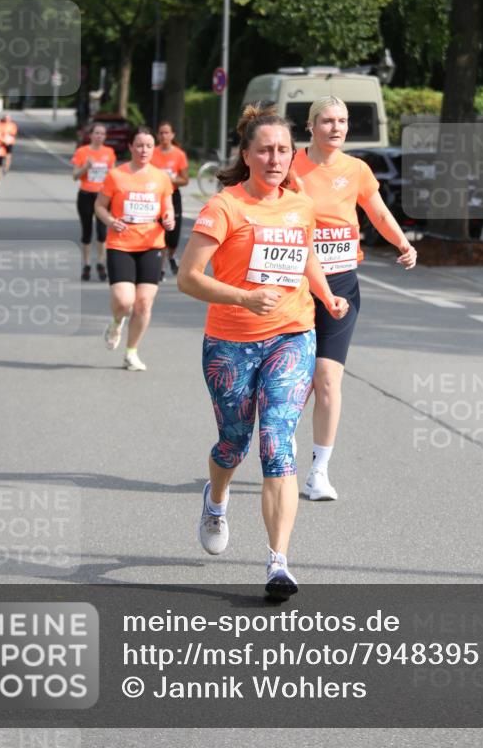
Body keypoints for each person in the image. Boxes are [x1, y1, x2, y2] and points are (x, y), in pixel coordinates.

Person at [177, 104, 349, 597]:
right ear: (247, 155)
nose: (275, 158)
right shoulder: (224, 207)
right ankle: (216, 499)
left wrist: (325, 294)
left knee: (277, 442)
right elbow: (188, 278)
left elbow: (306, 253)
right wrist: (244, 297)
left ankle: (279, 563)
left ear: (292, 154)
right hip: (230, 342)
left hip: (292, 335)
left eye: (283, 150)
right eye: (265, 150)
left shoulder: (300, 204)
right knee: (233, 442)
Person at [291, 96, 417, 501]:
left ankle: (319, 471)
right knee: (297, 379)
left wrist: (402, 243)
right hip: (294, 282)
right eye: (327, 120)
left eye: (342, 121)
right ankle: (281, 435)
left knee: (327, 377)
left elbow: (377, 213)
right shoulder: (290, 164)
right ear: (311, 126)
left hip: (342, 282)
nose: (336, 127)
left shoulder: (357, 169)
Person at [95, 127, 175, 371]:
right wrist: (110, 221)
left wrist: (169, 218)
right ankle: (116, 322)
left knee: (143, 304)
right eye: (139, 145)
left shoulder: (161, 177)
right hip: (121, 243)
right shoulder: (116, 175)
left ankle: (131, 352)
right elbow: (100, 207)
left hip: (151, 244)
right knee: (124, 300)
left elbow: (167, 208)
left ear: (154, 148)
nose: (144, 150)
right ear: (130, 147)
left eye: (149, 146)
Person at [71, 123, 116, 281]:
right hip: (86, 195)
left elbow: (113, 175)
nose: (99, 136)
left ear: (105, 137)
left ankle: (101, 263)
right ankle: (87, 264)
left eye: (102, 134)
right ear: (91, 135)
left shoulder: (109, 152)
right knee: (87, 231)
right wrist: (86, 167)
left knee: (102, 232)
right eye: (96, 133)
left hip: (103, 197)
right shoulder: (82, 152)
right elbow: (75, 175)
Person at [151, 121, 189, 278]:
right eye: (161, 133)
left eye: (167, 133)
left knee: (173, 236)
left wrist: (170, 178)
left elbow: (185, 180)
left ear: (172, 135)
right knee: (160, 231)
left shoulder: (179, 154)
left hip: (173, 196)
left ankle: (171, 255)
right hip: (156, 197)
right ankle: (160, 267)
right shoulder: (152, 153)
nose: (163, 136)